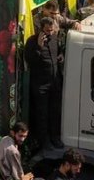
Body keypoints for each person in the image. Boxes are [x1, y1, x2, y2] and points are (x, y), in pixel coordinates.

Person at [24, 17, 64, 150]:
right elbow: (30, 61)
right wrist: (39, 47)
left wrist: (61, 56)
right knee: (42, 114)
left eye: (52, 30)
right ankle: (43, 141)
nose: (50, 33)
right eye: (47, 30)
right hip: (41, 84)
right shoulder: (32, 41)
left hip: (54, 83)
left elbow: (59, 53)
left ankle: (55, 137)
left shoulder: (55, 39)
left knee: (55, 112)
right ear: (41, 29)